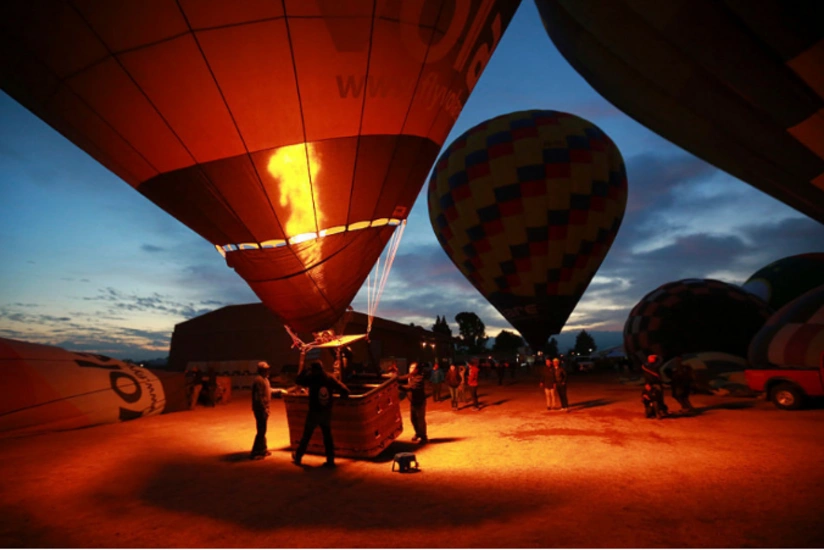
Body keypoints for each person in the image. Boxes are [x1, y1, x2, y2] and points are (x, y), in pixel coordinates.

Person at [293, 361, 350, 468]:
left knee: (306, 436)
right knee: (327, 437)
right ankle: (330, 460)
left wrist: (304, 370)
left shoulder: (311, 378)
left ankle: (298, 458)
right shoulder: (329, 378)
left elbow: (298, 380)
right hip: (326, 412)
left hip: (314, 412)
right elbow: (345, 390)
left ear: (314, 370)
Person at [399, 362, 428, 443]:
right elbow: (400, 378)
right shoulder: (410, 375)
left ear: (417, 370)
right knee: (413, 419)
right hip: (413, 402)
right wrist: (392, 378)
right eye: (410, 367)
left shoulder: (419, 378)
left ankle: (423, 437)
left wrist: (398, 386)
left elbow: (410, 387)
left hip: (420, 402)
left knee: (420, 420)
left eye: (413, 368)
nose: (410, 369)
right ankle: (418, 433)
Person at [250, 361, 272, 460]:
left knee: (263, 429)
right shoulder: (258, 380)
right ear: (261, 370)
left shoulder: (265, 379)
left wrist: (280, 390)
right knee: (261, 430)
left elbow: (268, 390)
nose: (268, 371)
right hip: (260, 409)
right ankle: (255, 452)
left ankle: (263, 449)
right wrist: (264, 409)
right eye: (266, 369)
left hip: (264, 408)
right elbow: (258, 397)